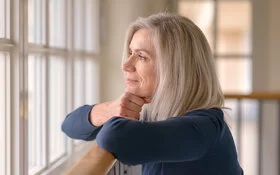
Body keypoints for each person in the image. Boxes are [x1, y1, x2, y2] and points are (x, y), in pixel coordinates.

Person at [61, 12, 243, 175]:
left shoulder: (203, 127)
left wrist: (117, 114)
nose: (126, 65)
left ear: (174, 70)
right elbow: (70, 125)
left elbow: (114, 137)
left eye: (141, 56)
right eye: (130, 52)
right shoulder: (155, 114)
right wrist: (111, 109)